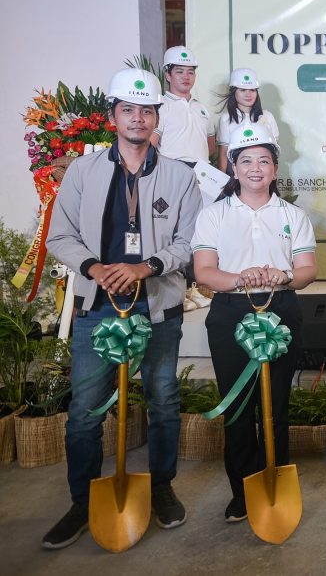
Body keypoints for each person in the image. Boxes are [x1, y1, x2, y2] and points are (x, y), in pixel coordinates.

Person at [43, 68, 202, 549]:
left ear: (158, 118)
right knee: (86, 413)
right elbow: (59, 235)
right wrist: (93, 267)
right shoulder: (84, 172)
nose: (138, 118)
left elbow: (190, 242)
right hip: (97, 306)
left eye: (147, 110)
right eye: (128, 110)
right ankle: (81, 502)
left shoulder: (179, 175)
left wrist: (147, 266)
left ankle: (161, 489)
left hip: (157, 307)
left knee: (163, 403)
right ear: (113, 116)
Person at [192, 124, 317, 522]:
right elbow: (204, 272)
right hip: (230, 312)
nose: (255, 168)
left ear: (275, 169)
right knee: (239, 405)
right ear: (233, 168)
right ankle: (242, 490)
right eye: (246, 160)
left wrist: (283, 277)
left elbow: (307, 270)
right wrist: (240, 279)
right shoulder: (213, 215)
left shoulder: (293, 215)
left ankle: (275, 481)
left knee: (276, 404)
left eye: (264, 160)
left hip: (281, 311)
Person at [154, 46, 216, 166]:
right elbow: (151, 145)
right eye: (179, 71)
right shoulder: (160, 106)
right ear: (168, 75)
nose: (186, 77)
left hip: (202, 173)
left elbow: (211, 147)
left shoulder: (202, 108)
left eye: (190, 72)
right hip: (171, 170)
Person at [215, 68, 280, 172]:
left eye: (252, 90)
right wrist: (221, 183)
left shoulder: (267, 117)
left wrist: (273, 178)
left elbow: (273, 154)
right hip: (235, 173)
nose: (248, 94)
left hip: (262, 173)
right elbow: (223, 154)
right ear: (234, 92)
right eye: (243, 90)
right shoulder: (226, 119)